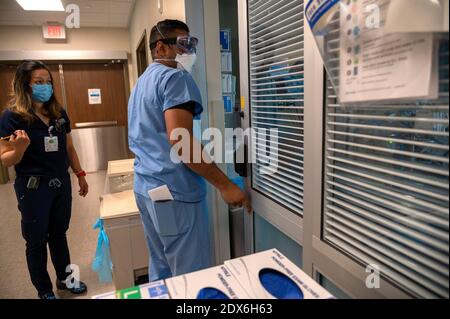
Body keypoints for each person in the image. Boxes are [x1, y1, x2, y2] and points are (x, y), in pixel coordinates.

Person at [128, 19, 252, 282]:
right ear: (160, 48)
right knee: (190, 276)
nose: (190, 52)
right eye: (183, 45)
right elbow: (181, 143)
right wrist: (225, 185)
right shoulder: (175, 78)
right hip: (175, 193)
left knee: (162, 266)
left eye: (192, 44)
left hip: (146, 188)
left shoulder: (141, 82)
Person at [0, 60, 89, 299]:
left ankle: (64, 279)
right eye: (38, 82)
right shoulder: (12, 117)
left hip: (60, 183)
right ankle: (44, 290)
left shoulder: (58, 114)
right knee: (36, 240)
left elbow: (69, 148)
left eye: (48, 82)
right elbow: (7, 160)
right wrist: (19, 148)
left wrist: (80, 174)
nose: (45, 86)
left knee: (59, 233)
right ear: (24, 85)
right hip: (33, 188)